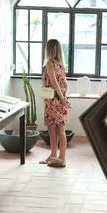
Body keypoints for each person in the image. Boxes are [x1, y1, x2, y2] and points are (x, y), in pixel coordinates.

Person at [41, 39, 71, 168]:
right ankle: (55, 156)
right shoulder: (61, 65)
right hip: (61, 100)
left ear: (48, 49)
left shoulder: (49, 63)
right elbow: (65, 84)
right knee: (60, 131)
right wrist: (64, 98)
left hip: (53, 101)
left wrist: (61, 98)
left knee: (53, 131)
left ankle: (61, 158)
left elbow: (53, 82)